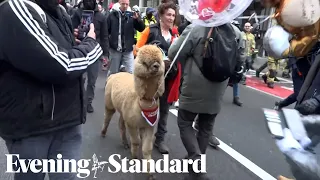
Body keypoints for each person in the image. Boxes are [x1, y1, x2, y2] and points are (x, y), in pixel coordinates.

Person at [0, 0, 102, 179]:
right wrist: (91, 44)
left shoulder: (59, 10)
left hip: (67, 122)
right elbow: (62, 65)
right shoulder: (16, 8)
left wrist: (74, 40)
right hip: (33, 127)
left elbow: (57, 49)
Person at [168, 21, 243, 179]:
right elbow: (240, 60)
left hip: (194, 84)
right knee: (206, 128)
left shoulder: (196, 28)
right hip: (218, 88)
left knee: (184, 122)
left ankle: (195, 160)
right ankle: (196, 167)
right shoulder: (236, 33)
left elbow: (174, 52)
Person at [135, 1, 181, 154]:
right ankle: (142, 133)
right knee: (146, 106)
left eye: (173, 15)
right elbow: (137, 50)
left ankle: (159, 139)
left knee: (165, 109)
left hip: (168, 78)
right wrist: (154, 58)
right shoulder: (151, 30)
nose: (171, 18)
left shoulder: (176, 34)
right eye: (168, 14)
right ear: (161, 15)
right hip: (151, 79)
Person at [72, 0, 109, 113]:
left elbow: (104, 36)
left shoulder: (101, 17)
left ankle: (88, 102)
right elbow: (70, 31)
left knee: (92, 81)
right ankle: (79, 101)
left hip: (96, 52)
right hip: (80, 50)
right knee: (80, 79)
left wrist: (105, 55)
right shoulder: (77, 13)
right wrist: (74, 35)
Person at [107, 0, 145, 75]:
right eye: (123, 4)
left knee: (131, 72)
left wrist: (137, 19)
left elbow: (141, 29)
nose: (125, 6)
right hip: (115, 49)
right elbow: (106, 31)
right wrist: (109, 45)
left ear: (129, 4)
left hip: (128, 50)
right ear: (119, 3)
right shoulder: (112, 15)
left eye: (126, 4)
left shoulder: (132, 15)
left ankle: (129, 87)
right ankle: (109, 86)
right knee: (113, 73)